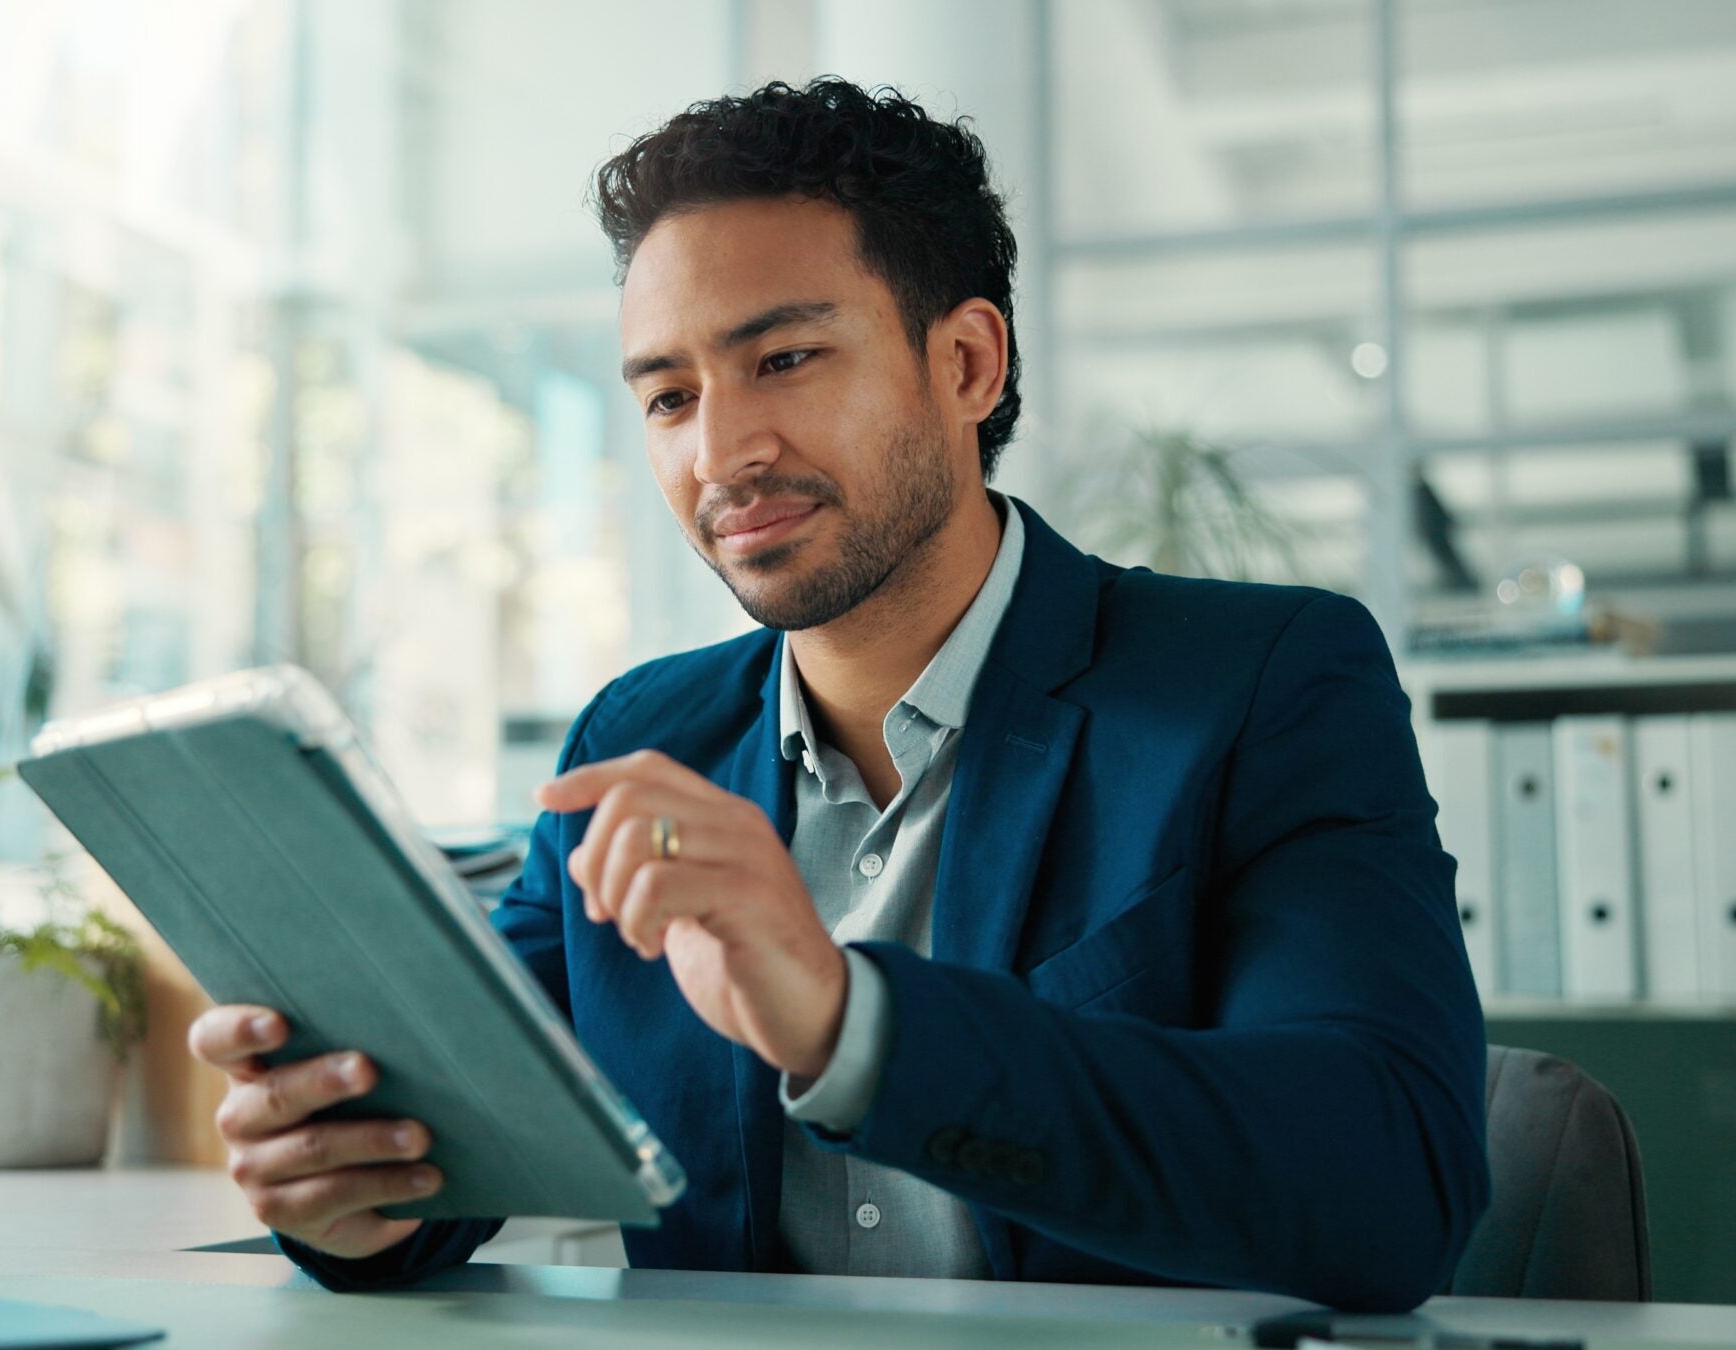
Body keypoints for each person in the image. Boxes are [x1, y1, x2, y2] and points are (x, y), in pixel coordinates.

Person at [186, 77, 1488, 1312]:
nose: (721, 451)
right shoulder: (639, 743)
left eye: (787, 360)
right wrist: (354, 1190)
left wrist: (853, 1021)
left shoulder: (1259, 685)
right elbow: (467, 1129)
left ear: (968, 364)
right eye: (669, 395)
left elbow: (1388, 1178)